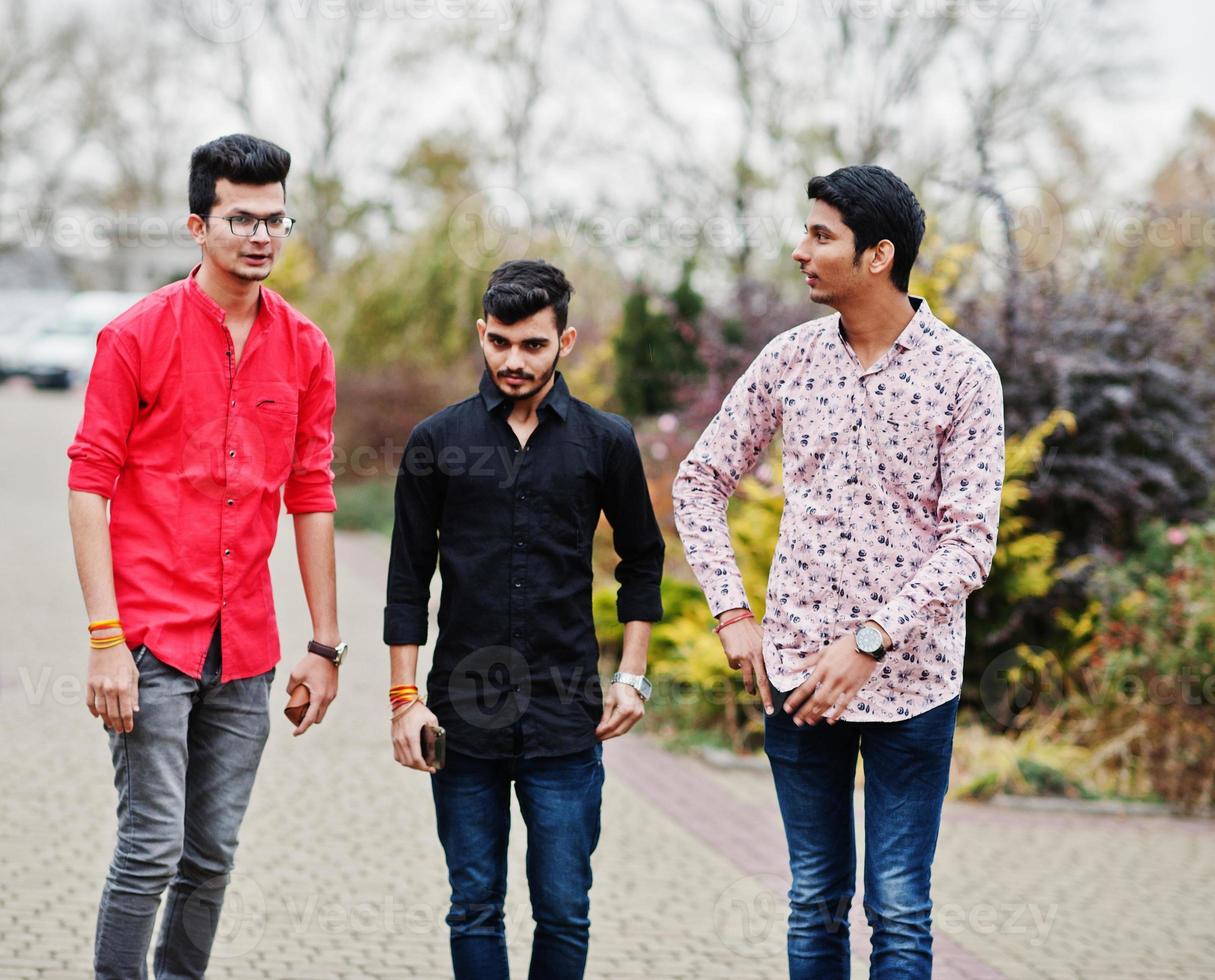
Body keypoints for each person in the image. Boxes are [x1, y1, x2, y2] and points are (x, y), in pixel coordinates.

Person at [673, 165, 1006, 979]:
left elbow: (970, 542)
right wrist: (729, 612)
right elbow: (698, 480)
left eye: (820, 235)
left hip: (912, 686)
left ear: (877, 256)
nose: (799, 251)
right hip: (793, 682)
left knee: (897, 908)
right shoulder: (788, 360)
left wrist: (870, 639)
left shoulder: (964, 375)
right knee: (816, 900)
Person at [67, 133, 345, 979]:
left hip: (245, 647)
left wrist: (325, 646)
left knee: (212, 854)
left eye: (275, 219)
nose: (261, 236)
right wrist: (105, 638)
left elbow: (312, 494)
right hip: (151, 637)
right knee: (151, 848)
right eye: (241, 219)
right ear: (197, 224)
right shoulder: (134, 336)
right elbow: (88, 484)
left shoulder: (305, 349)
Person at [383, 259, 665, 979]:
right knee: (472, 904)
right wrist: (403, 700)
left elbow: (641, 558)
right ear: (482, 334)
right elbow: (407, 577)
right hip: (461, 715)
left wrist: (632, 677)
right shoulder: (435, 441)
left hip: (566, 716)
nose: (513, 360)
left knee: (565, 908)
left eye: (532, 345)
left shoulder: (605, 442)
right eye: (500, 342)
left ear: (564, 342)